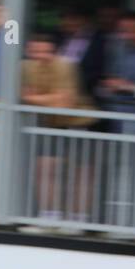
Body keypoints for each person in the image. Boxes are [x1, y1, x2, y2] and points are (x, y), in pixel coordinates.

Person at [21, 32, 90, 227]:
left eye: (47, 51)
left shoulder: (66, 65)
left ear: (56, 52)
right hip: (50, 123)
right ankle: (49, 216)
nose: (41, 55)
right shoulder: (24, 67)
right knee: (44, 169)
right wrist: (50, 98)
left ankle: (78, 221)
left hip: (78, 122)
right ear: (29, 51)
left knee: (80, 172)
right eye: (36, 51)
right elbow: (20, 95)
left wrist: (33, 98)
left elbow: (65, 103)